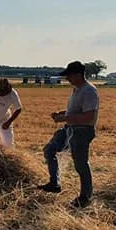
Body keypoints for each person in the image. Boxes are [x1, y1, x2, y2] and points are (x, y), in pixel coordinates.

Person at [39, 61, 99, 208]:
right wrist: (63, 113)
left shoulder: (89, 91)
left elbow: (89, 116)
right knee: (49, 150)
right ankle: (55, 183)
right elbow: (78, 111)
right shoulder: (77, 90)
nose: (67, 79)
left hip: (82, 131)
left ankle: (85, 197)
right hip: (70, 129)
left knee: (81, 164)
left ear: (78, 74)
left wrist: (64, 118)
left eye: (69, 75)